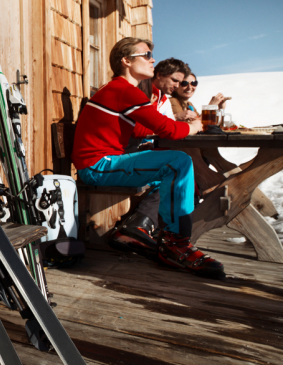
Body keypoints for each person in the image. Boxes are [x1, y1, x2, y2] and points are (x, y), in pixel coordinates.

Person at [72, 38, 224, 278]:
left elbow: (138, 130)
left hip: (108, 161)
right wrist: (196, 125)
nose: (153, 59)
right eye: (146, 55)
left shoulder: (121, 91)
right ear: (126, 61)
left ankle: (141, 231)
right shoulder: (123, 90)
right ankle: (176, 245)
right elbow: (170, 131)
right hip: (97, 166)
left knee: (183, 176)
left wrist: (178, 125)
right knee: (179, 162)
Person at [109, 57, 192, 255]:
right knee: (178, 168)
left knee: (181, 174)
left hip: (131, 151)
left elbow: (162, 126)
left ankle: (142, 228)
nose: (177, 86)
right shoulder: (139, 91)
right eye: (174, 80)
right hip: (119, 156)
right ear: (160, 75)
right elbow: (141, 128)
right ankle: (152, 232)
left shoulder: (160, 96)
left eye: (180, 82)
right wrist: (188, 127)